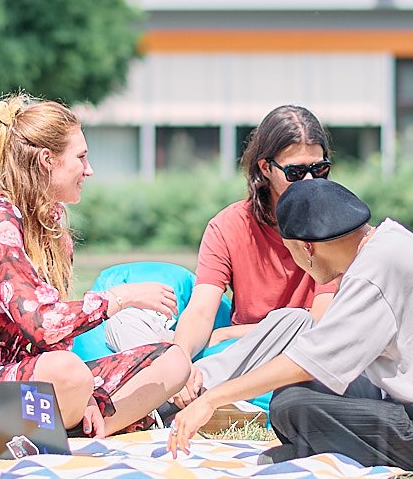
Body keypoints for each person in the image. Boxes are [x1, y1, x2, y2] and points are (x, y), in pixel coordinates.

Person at [168, 179, 413, 471]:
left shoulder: (375, 269)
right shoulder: (387, 243)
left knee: (290, 404)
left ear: (308, 247)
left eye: (294, 256)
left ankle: (316, 451)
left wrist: (212, 399)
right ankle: (317, 450)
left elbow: (307, 361)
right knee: (300, 394)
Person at [0, 95, 192, 440]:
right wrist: (119, 298)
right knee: (69, 374)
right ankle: (67, 426)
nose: (89, 170)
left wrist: (84, 393)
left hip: (23, 382)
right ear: (48, 160)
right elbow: (42, 323)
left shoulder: (53, 229)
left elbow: (54, 343)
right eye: (81, 157)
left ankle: (74, 429)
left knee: (174, 361)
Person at [105, 106, 339, 406]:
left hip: (291, 350)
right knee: (124, 323)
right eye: (295, 172)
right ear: (266, 168)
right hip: (233, 355)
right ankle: (176, 379)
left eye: (319, 170)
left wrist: (229, 332)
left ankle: (163, 388)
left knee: (295, 321)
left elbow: (318, 323)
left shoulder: (334, 226)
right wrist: (180, 357)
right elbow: (202, 310)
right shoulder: (229, 225)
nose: (309, 182)